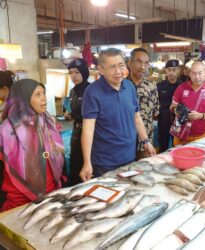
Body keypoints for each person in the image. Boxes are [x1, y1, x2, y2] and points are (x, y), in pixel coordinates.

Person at [80, 49, 155, 180]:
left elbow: (136, 117)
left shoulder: (129, 86)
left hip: (129, 157)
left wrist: (146, 141)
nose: (118, 71)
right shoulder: (92, 92)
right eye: (112, 67)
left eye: (121, 65)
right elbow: (88, 129)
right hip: (104, 162)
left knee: (128, 195)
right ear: (101, 70)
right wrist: (87, 162)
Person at [0, 79, 65, 211]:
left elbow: (53, 155)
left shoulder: (47, 122)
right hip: (20, 202)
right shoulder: (6, 132)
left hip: (51, 195)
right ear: (22, 99)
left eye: (44, 93)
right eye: (37, 94)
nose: (44, 98)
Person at [170, 61, 205, 146]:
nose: (197, 77)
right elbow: (172, 107)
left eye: (200, 73)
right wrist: (176, 111)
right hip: (180, 134)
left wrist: (201, 116)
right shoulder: (181, 88)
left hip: (200, 135)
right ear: (189, 74)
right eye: (194, 73)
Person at [128, 48, 159, 158]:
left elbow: (156, 113)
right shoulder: (121, 86)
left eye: (146, 63)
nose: (143, 67)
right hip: (125, 143)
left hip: (146, 144)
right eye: (139, 61)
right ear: (130, 62)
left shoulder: (152, 86)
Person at [64, 58, 90, 185]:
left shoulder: (91, 90)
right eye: (71, 72)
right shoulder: (73, 91)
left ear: (84, 73)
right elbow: (76, 110)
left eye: (77, 72)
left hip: (89, 133)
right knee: (75, 163)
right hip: (76, 132)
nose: (73, 76)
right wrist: (70, 114)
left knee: (87, 163)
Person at [157, 59, 182, 152]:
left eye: (174, 69)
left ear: (178, 70)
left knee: (178, 147)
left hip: (178, 122)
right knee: (162, 146)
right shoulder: (159, 86)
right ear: (166, 70)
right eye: (169, 70)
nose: (171, 72)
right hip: (163, 121)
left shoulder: (183, 86)